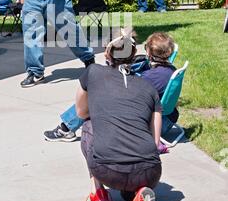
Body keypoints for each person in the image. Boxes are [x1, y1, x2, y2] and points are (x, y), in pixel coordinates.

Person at [77, 30, 162, 201]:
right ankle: (140, 194)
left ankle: (98, 193)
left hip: (107, 169)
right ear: (134, 56)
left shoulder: (93, 73)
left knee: (89, 125)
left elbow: (81, 112)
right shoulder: (148, 87)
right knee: (134, 175)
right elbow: (156, 142)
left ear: (107, 54)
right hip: (150, 171)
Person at [44, 32, 177, 153]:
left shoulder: (149, 78)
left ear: (149, 52)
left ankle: (65, 128)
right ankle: (66, 126)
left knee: (94, 98)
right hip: (166, 119)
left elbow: (127, 93)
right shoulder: (167, 70)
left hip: (148, 125)